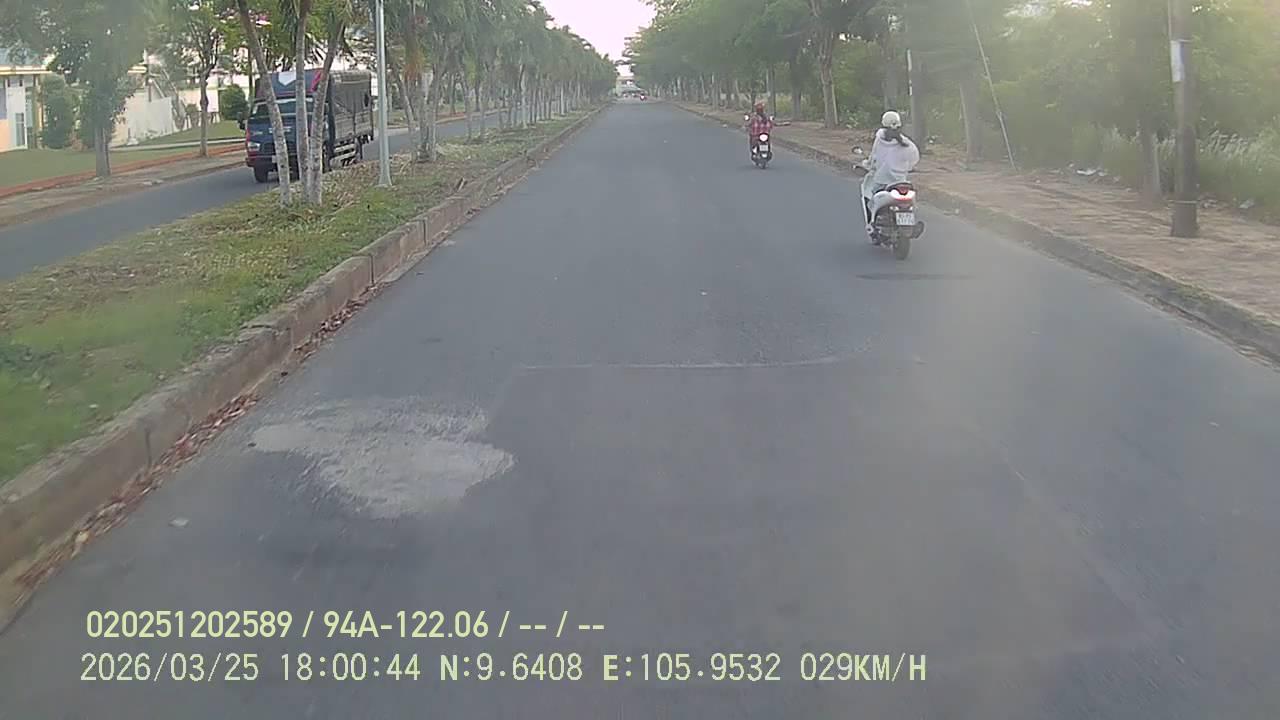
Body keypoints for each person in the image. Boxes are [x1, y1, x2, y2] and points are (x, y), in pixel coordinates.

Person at [862, 110, 921, 241]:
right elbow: (915, 158)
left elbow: (873, 158)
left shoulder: (879, 140)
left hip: (881, 181)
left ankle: (871, 224)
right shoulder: (906, 143)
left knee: (868, 195)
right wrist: (907, 167)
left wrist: (868, 164)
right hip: (900, 182)